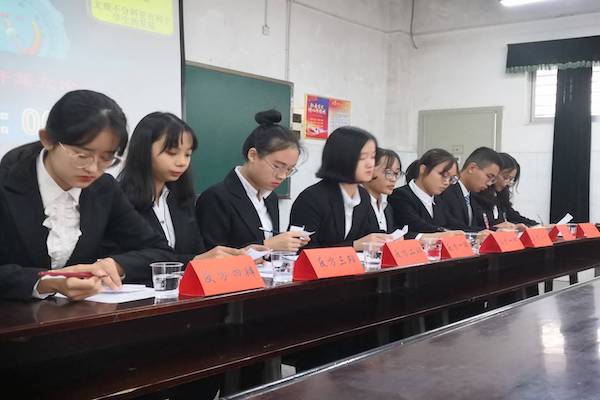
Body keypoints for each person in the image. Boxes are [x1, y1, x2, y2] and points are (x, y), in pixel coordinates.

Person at [0, 90, 173, 301]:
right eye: (82, 155)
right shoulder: (6, 184)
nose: (93, 169)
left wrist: (115, 265)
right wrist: (46, 282)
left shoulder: (103, 189)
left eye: (106, 158)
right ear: (47, 139)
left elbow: (159, 250)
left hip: (79, 316)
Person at [117, 112, 248, 265]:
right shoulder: (120, 200)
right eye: (172, 153)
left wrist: (240, 254)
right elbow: (126, 261)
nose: (182, 162)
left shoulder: (181, 200)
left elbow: (198, 252)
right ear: (143, 151)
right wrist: (193, 260)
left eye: (187, 154)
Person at [196, 109, 309, 252]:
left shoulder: (271, 198)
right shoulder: (216, 198)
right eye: (277, 166)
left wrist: (287, 242)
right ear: (253, 155)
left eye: (289, 170)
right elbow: (210, 256)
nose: (282, 176)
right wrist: (268, 246)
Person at [289, 126, 390, 249]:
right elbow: (304, 250)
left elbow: (368, 235)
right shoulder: (312, 198)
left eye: (373, 157)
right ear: (341, 158)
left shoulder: (363, 196)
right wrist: (354, 246)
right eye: (362, 157)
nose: (370, 164)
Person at [389, 148, 467, 234]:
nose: (447, 182)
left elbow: (453, 224)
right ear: (423, 169)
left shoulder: (438, 200)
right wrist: (445, 232)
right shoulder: (399, 195)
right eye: (444, 175)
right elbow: (416, 226)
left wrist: (475, 233)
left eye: (452, 178)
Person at [440, 146, 512, 231]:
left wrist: (497, 229)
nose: (489, 183)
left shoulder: (473, 196)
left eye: (493, 180)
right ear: (472, 168)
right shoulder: (447, 192)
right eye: (489, 176)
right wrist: (493, 230)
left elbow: (474, 227)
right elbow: (453, 227)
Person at [473, 152, 538, 229]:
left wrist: (538, 226)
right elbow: (472, 228)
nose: (508, 183)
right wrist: (495, 229)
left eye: (511, 179)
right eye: (505, 178)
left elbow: (515, 217)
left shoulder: (500, 196)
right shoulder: (476, 196)